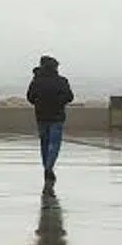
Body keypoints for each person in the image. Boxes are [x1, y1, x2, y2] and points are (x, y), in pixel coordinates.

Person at [26, 55, 74, 190]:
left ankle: (46, 167)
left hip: (41, 115)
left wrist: (39, 102)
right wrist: (59, 102)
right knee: (54, 143)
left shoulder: (36, 81)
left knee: (44, 143)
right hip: (57, 116)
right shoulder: (61, 81)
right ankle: (49, 167)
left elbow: (30, 97)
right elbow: (70, 97)